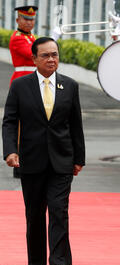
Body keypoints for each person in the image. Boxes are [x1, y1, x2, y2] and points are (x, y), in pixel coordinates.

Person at [2, 37, 85, 265]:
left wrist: (79, 158)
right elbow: (9, 121)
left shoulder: (69, 86)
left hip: (62, 161)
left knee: (59, 212)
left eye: (55, 55)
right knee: (35, 214)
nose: (51, 59)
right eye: (46, 55)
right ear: (35, 58)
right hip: (32, 160)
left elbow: (76, 124)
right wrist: (10, 151)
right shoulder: (21, 86)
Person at [9, 5, 38, 179]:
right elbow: (32, 54)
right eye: (26, 19)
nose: (29, 22)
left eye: (32, 19)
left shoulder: (31, 37)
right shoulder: (17, 38)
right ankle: (19, 163)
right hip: (22, 80)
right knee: (21, 124)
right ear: (18, 20)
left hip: (33, 80)